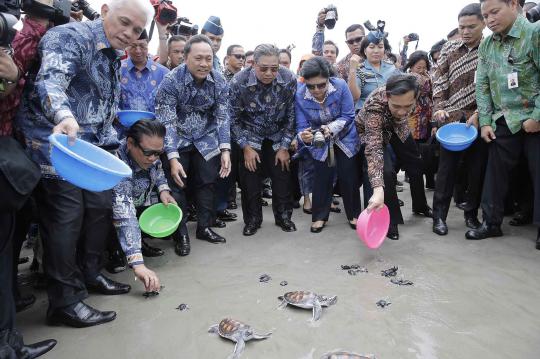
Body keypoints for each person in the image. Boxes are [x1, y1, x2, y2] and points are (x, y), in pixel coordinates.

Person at [16, 0, 154, 328]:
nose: (130, 34)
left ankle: (91, 274)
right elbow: (50, 82)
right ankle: (64, 302)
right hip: (52, 142)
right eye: (124, 23)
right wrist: (63, 116)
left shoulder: (112, 59)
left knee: (101, 204)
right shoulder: (70, 37)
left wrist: (137, 261)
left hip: (92, 146)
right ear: (105, 10)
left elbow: (103, 113)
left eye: (137, 30)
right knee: (67, 215)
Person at [466, 0, 540, 247]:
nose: (489, 19)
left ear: (513, 4)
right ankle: (491, 223)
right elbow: (483, 85)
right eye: (485, 15)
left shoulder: (534, 33)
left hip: (534, 118)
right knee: (495, 173)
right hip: (504, 118)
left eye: (494, 12)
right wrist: (485, 121)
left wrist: (538, 116)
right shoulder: (487, 44)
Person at [156, 34, 231, 251]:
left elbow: (223, 116)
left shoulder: (219, 81)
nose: (204, 64)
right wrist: (171, 157)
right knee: (177, 185)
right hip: (176, 139)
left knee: (207, 182)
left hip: (205, 138)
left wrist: (225, 149)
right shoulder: (171, 81)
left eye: (208, 58)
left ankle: (204, 227)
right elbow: (166, 120)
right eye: (198, 58)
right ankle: (180, 235)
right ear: (185, 57)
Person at [431, 3, 487, 236]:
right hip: (452, 120)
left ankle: (471, 215)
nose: (465, 31)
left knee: (476, 171)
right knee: (446, 171)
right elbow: (439, 80)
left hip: (479, 118)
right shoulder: (449, 49)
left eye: (471, 27)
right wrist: (439, 109)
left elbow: (492, 85)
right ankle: (439, 218)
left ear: (483, 23)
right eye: (461, 27)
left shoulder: (491, 47)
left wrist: (480, 113)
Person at [229, 44, 297, 236]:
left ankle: (284, 217)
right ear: (253, 65)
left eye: (274, 69)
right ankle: (252, 220)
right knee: (249, 178)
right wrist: (245, 147)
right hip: (250, 134)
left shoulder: (289, 79)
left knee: (282, 174)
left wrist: (285, 146)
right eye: (263, 68)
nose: (269, 73)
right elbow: (232, 119)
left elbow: (292, 115)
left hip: (277, 133)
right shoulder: (238, 82)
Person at [357, 74, 433, 240]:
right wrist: (377, 189)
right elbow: (374, 148)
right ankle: (389, 221)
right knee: (387, 172)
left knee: (415, 162)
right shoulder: (375, 108)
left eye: (408, 106)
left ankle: (420, 205)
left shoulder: (416, 87)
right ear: (387, 96)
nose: (402, 111)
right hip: (371, 132)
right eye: (396, 106)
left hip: (398, 127)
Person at [296, 57, 361, 232]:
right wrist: (305, 135)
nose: (316, 90)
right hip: (319, 140)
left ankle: (354, 214)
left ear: (328, 78)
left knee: (348, 176)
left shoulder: (340, 86)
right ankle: (319, 216)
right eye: (311, 86)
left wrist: (331, 128)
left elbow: (348, 116)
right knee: (322, 176)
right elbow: (301, 126)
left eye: (321, 85)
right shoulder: (300, 95)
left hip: (345, 136)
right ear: (305, 82)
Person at [112, 120, 167, 291]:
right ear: (130, 143)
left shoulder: (152, 156)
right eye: (148, 153)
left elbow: (158, 170)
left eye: (158, 153)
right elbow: (124, 213)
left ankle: (136, 245)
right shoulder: (118, 163)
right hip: (111, 210)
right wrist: (138, 265)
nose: (153, 158)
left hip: (138, 201)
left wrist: (163, 190)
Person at [403, 50, 436, 190]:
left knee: (428, 150)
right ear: (411, 66)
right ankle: (413, 177)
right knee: (415, 149)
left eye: (424, 67)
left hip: (427, 117)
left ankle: (429, 180)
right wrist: (429, 77)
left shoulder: (427, 76)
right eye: (419, 67)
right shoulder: (410, 77)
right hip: (413, 119)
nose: (422, 70)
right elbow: (423, 86)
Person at [120, 30, 169, 112]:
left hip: (153, 123)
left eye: (142, 46)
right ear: (126, 47)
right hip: (122, 123)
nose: (138, 51)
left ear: (148, 45)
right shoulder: (117, 70)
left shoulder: (163, 73)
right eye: (133, 46)